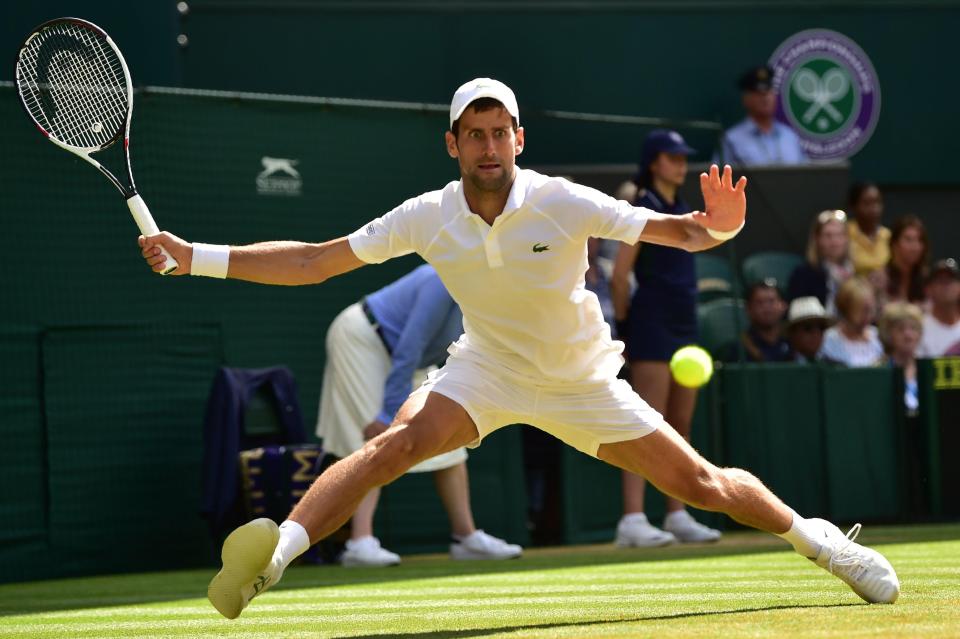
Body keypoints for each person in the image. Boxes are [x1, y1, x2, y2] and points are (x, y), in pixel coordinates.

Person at [138, 78, 899, 619]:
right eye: (475, 132)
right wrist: (197, 254)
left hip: (581, 378)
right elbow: (313, 260)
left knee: (701, 483)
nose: (490, 143)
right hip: (489, 370)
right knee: (398, 443)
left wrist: (725, 226)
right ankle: (272, 559)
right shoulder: (426, 215)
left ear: (519, 139)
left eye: (500, 130)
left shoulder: (561, 199)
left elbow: (683, 231)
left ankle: (827, 546)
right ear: (453, 144)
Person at [317, 264, 522, 566]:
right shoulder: (442, 279)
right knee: (377, 437)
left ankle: (465, 537)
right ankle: (359, 542)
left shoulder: (488, 299)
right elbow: (409, 347)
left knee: (446, 438)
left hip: (408, 359)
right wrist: (389, 413)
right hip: (362, 339)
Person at [610, 129, 721, 546]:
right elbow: (621, 274)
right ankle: (633, 519)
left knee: (681, 424)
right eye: (673, 157)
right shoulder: (643, 206)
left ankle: (677, 513)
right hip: (652, 319)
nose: (681, 164)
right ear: (655, 161)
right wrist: (626, 325)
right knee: (645, 421)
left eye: (682, 157)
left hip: (684, 320)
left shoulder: (681, 207)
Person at [716, 66, 807, 167]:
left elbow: (805, 177)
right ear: (746, 99)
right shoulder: (731, 140)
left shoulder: (790, 136)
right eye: (758, 93)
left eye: (768, 92)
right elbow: (718, 179)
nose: (765, 98)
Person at [787, 209, 854, 317]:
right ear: (817, 239)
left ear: (847, 239)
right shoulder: (803, 274)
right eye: (828, 235)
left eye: (839, 235)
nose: (834, 242)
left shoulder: (855, 273)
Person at [819, 278, 884, 367]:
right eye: (862, 310)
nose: (868, 315)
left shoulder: (879, 338)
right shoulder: (828, 339)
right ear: (847, 308)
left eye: (870, 309)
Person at [723, 279, 792, 363]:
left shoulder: (795, 341)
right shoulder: (739, 349)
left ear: (784, 306)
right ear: (748, 309)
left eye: (771, 301)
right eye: (759, 303)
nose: (766, 308)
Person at [878, 302, 924, 416]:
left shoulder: (927, 369)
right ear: (888, 333)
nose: (908, 335)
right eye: (901, 329)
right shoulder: (878, 369)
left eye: (913, 328)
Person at [846, 182, 891, 279]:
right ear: (853, 206)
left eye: (877, 202)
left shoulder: (888, 236)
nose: (874, 208)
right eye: (866, 203)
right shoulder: (844, 233)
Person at [918, 258, 960, 357]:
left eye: (951, 280)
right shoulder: (919, 328)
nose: (946, 285)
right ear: (928, 289)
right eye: (940, 281)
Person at [883, 215, 929, 306]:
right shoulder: (879, 280)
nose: (915, 247)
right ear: (894, 244)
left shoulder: (927, 280)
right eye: (908, 240)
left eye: (919, 240)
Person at [785, 297, 830, 363]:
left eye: (821, 328)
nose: (816, 334)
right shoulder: (779, 365)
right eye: (808, 328)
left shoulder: (836, 368)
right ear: (792, 332)